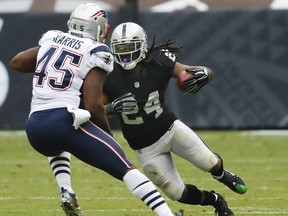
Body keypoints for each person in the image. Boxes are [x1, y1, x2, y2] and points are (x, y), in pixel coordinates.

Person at [10, 4, 177, 216]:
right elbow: (93, 103)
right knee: (125, 167)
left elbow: (16, 62)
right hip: (63, 121)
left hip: (35, 127)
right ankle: (167, 214)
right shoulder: (95, 50)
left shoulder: (52, 38)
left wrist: (48, 53)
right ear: (98, 28)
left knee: (60, 142)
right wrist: (109, 137)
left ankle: (65, 189)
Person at [101, 22, 248, 216]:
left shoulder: (159, 61)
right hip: (144, 147)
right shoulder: (108, 75)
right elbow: (96, 110)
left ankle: (222, 174)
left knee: (208, 161)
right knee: (175, 192)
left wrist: (205, 74)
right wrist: (111, 108)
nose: (126, 54)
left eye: (130, 48)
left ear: (142, 47)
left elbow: (190, 71)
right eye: (121, 49)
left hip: (169, 128)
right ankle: (216, 200)